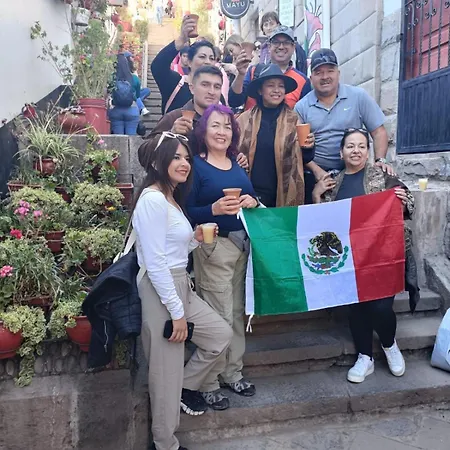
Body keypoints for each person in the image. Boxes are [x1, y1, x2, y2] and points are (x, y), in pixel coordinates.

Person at [134, 132, 233, 450]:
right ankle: (165, 444)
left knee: (219, 335)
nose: (184, 163)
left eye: (187, 158)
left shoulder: (170, 198)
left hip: (179, 285)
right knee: (165, 372)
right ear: (157, 162)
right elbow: (155, 262)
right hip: (161, 290)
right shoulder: (152, 200)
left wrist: (194, 239)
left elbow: (171, 249)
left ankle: (184, 386)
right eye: (176, 157)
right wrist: (177, 313)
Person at [312, 128, 414, 383]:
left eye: (361, 146)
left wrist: (403, 202)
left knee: (381, 307)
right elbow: (322, 223)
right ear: (341, 152)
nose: (355, 151)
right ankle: (364, 357)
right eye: (350, 146)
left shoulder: (383, 175)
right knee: (357, 308)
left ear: (368, 152)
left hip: (382, 256)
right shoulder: (333, 182)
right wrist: (316, 194)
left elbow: (408, 204)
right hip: (350, 258)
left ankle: (390, 345)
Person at [186, 104, 259, 410]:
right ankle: (208, 382)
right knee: (218, 316)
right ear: (203, 131)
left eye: (227, 126)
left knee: (237, 312)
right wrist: (213, 210)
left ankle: (232, 373)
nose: (221, 132)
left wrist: (252, 201)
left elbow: (252, 197)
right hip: (214, 247)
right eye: (215, 125)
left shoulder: (236, 163)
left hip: (242, 246)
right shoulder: (195, 166)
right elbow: (186, 211)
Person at [294, 48, 393, 203]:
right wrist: (317, 171)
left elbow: (378, 132)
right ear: (311, 78)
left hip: (355, 171)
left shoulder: (358, 97)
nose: (325, 77)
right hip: (317, 176)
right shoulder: (301, 107)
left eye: (330, 71)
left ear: (338, 73)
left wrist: (380, 160)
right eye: (319, 72)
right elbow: (296, 147)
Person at [237, 64, 314, 207]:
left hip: (283, 194)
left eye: (281, 86)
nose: (277, 90)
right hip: (249, 194)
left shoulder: (294, 120)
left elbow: (304, 159)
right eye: (271, 85)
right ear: (260, 90)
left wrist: (308, 147)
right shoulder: (243, 120)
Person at [142, 66, 247, 170]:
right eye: (205, 85)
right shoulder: (175, 117)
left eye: (217, 87)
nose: (211, 91)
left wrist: (237, 158)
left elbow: (230, 151)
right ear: (192, 88)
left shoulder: (226, 120)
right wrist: (170, 134)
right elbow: (144, 155)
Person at [151, 16, 226, 114]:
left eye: (211, 58)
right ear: (189, 62)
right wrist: (181, 39)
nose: (207, 62)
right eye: (202, 57)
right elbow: (158, 67)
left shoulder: (217, 96)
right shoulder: (175, 83)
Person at [229, 26, 311, 111]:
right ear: (269, 46)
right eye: (276, 42)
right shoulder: (254, 71)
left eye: (286, 42)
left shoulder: (302, 81)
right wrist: (241, 74)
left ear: (293, 47)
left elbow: (305, 114)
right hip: (251, 119)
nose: (281, 47)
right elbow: (234, 101)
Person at [108, 53, 140, 135]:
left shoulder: (112, 78)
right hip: (132, 110)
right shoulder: (134, 78)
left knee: (119, 139)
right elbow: (137, 96)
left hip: (116, 111)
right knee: (131, 138)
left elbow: (108, 93)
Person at [125, 52, 151, 116]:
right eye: (131, 57)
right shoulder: (123, 70)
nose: (133, 59)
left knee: (147, 90)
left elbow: (137, 86)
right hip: (126, 93)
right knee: (135, 94)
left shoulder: (133, 70)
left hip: (135, 92)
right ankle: (142, 108)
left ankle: (136, 102)